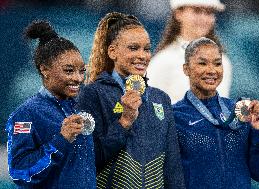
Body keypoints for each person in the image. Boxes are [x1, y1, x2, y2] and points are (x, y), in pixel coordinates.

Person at [77, 12, 185, 189]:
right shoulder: (92, 94)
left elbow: (172, 166)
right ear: (112, 51)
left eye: (147, 49)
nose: (142, 55)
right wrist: (124, 122)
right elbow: (86, 159)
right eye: (133, 48)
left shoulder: (160, 98)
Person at [173, 37, 259, 189]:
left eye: (217, 63)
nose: (212, 70)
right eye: (202, 63)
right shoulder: (175, 116)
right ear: (186, 69)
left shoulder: (239, 112)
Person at [6, 20, 96, 189]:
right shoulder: (27, 114)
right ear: (44, 69)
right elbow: (19, 172)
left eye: (82, 70)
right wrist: (61, 140)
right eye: (69, 71)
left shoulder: (81, 108)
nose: (78, 78)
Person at [147, 0, 232, 103]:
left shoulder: (223, 61)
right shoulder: (164, 60)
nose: (203, 18)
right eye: (197, 11)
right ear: (178, 14)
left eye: (209, 13)